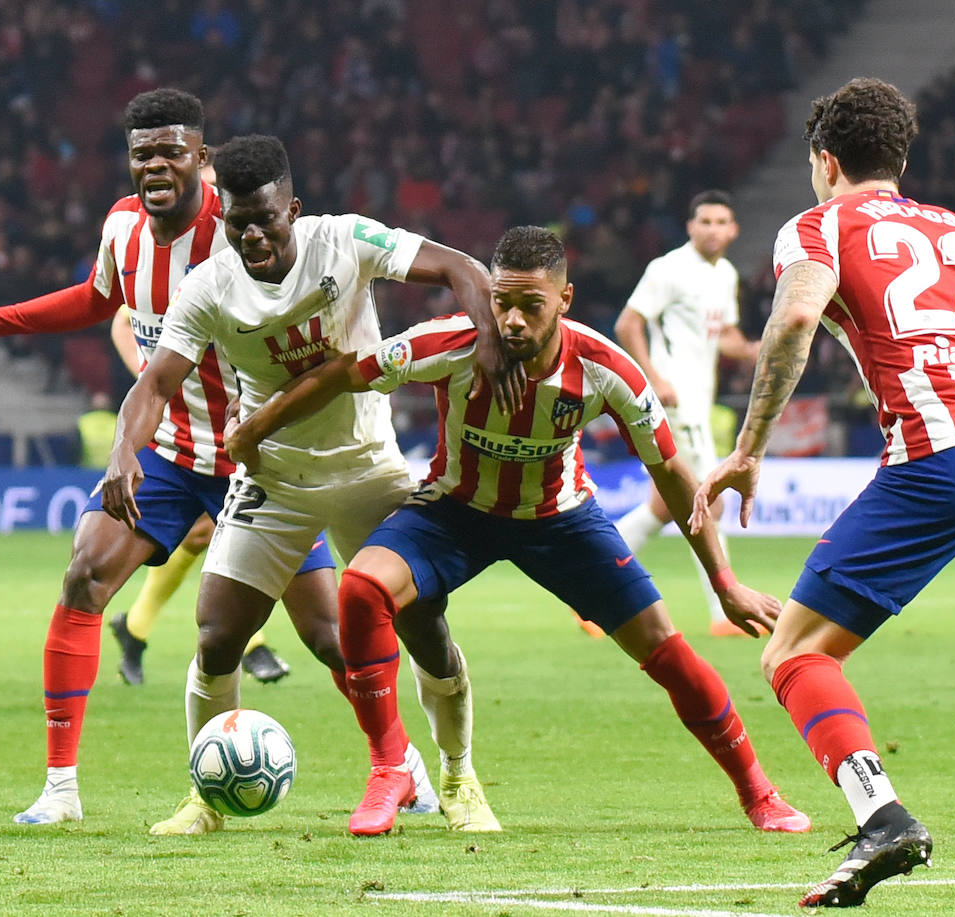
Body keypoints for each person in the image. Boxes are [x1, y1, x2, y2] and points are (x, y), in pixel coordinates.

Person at [225, 224, 811, 837]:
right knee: (361, 588)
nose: (510, 321)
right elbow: (344, 372)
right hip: (456, 513)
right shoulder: (447, 343)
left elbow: (669, 471)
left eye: (531, 306)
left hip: (560, 522)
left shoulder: (607, 369)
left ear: (565, 300)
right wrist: (256, 424)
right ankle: (388, 769)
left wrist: (724, 584)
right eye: (501, 303)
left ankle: (759, 793)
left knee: (666, 648)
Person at [0, 89, 364, 829]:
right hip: (170, 456)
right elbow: (89, 299)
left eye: (172, 150)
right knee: (84, 572)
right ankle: (60, 788)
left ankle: (404, 768)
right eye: (142, 152)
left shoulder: (239, 234)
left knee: (329, 634)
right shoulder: (122, 226)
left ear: (202, 159)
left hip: (255, 461)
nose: (155, 165)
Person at [98, 133, 521, 835]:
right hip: (276, 480)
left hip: (369, 470)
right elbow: (156, 382)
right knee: (217, 633)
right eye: (238, 222)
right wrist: (123, 452)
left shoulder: (345, 240)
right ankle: (205, 798)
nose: (253, 234)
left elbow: (460, 266)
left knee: (423, 626)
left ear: (293, 208)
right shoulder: (208, 286)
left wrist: (488, 335)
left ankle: (459, 775)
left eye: (266, 217)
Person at [692, 77, 955, 908]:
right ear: (901, 159)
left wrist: (747, 451)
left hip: (942, 454)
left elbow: (791, 321)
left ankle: (882, 816)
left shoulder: (818, 225)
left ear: (825, 162)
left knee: (796, 651)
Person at [103, 303, 292, 686]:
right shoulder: (182, 272)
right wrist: (149, 377)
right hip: (199, 433)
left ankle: (136, 628)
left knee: (207, 532)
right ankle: (251, 643)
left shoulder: (247, 273)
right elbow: (123, 321)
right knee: (218, 529)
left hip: (242, 424)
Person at [613, 191, 760, 636]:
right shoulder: (668, 269)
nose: (713, 228)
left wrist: (756, 351)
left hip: (698, 399)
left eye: (721, 221)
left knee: (663, 506)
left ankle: (590, 584)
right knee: (707, 504)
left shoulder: (726, 274)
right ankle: (724, 613)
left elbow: (725, 338)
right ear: (690, 226)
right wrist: (655, 378)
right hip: (676, 401)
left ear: (733, 230)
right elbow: (628, 323)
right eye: (705, 221)